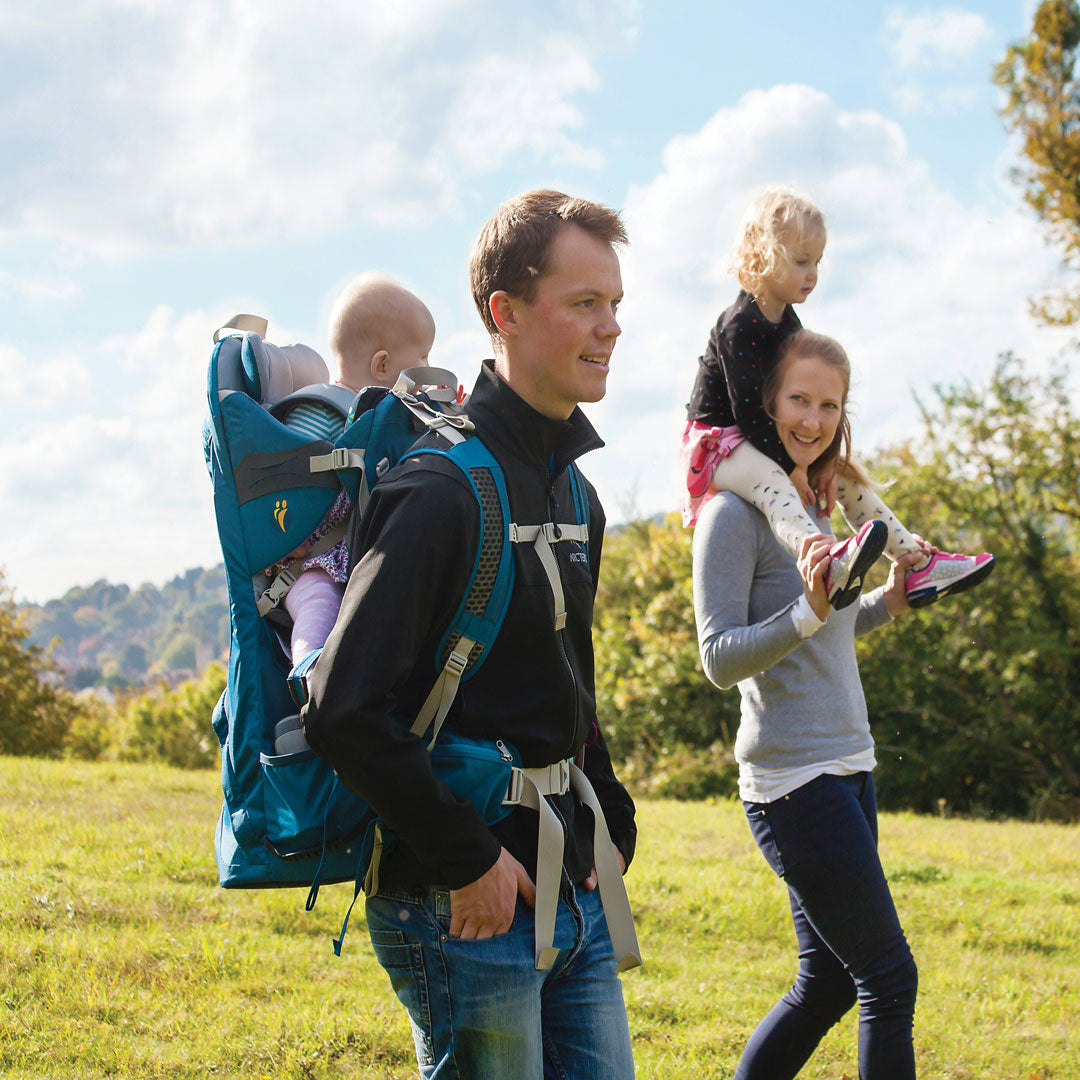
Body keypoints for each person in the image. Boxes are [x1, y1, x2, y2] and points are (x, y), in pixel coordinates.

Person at [302, 190, 639, 1079]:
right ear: (507, 313)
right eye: (583, 304)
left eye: (614, 305)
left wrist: (613, 818)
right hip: (463, 905)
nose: (609, 328)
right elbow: (342, 707)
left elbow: (570, 681)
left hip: (573, 885)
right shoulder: (439, 493)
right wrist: (466, 861)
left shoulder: (577, 495)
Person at [693, 328, 924, 1079]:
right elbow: (720, 658)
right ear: (765, 402)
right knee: (888, 978)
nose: (814, 419)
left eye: (830, 405)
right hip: (795, 786)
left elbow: (828, 626)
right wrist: (810, 614)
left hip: (850, 767)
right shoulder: (734, 514)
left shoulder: (813, 507)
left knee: (825, 983)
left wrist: (886, 603)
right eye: (799, 398)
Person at [682, 186, 994, 610]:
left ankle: (916, 561)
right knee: (776, 485)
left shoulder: (788, 323)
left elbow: (806, 397)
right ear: (764, 254)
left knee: (845, 476)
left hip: (763, 437)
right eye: (801, 261)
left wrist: (824, 462)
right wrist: (793, 467)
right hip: (719, 443)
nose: (812, 274)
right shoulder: (740, 325)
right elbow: (751, 414)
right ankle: (824, 558)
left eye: (817, 263)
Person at [276, 274, 436, 666]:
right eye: (422, 359)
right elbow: (286, 481)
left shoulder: (386, 423)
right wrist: (287, 538)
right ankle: (311, 677)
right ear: (382, 365)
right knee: (318, 605)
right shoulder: (322, 413)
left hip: (354, 562)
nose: (429, 368)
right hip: (310, 563)